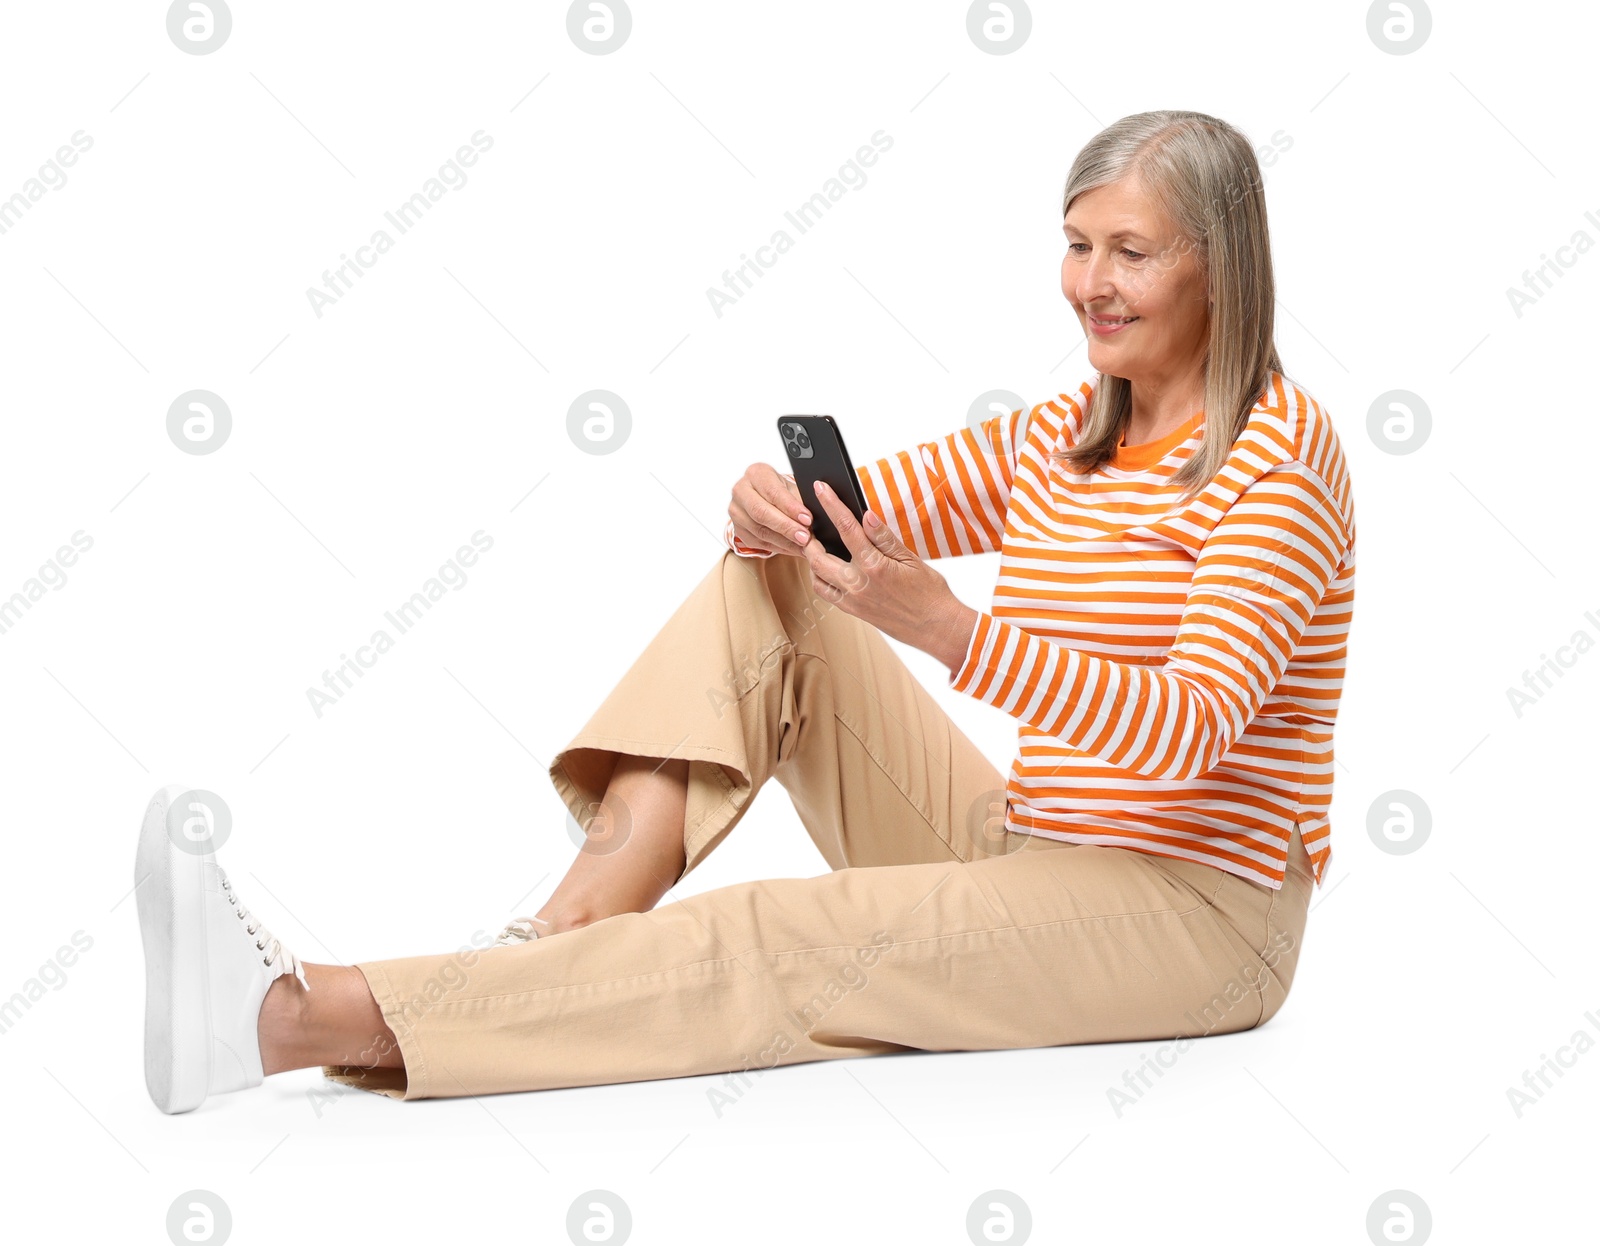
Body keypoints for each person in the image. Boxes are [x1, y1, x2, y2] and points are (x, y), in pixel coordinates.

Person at [135, 108, 1355, 1113]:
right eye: (1077, 244)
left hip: (1195, 918)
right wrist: (771, 510)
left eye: (1130, 252)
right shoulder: (1068, 435)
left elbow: (1193, 729)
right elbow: (869, 511)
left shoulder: (1277, 463)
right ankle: (548, 954)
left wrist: (949, 633)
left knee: (791, 935)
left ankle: (292, 1019)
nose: (1089, 284)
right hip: (1035, 850)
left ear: (1219, 260)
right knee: (772, 587)